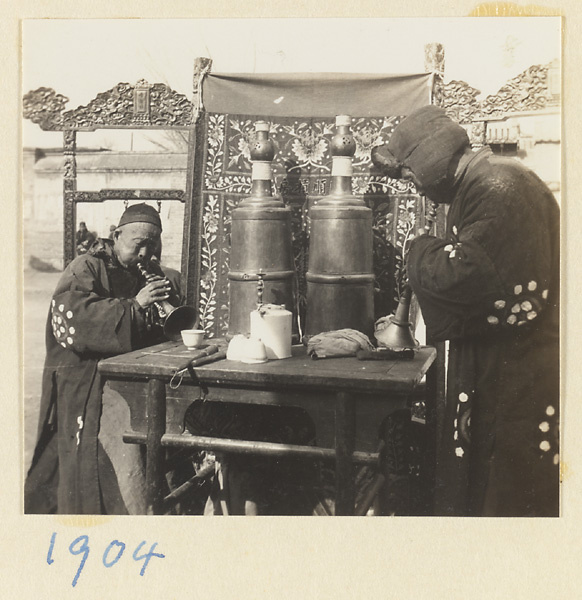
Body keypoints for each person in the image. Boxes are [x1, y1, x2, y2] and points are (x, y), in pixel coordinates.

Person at [371, 105, 560, 517]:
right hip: (504, 365)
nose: (415, 187)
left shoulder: (500, 189)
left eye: (410, 173)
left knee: (508, 488)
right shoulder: (488, 181)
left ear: (431, 159)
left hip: (520, 374)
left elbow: (470, 277)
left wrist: (418, 250)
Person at [25, 203, 183, 514]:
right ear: (116, 236)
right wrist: (135, 307)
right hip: (85, 376)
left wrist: (167, 309)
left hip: (128, 377)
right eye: (140, 245)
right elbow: (72, 320)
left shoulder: (154, 273)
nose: (146, 255)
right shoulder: (85, 267)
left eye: (153, 247)